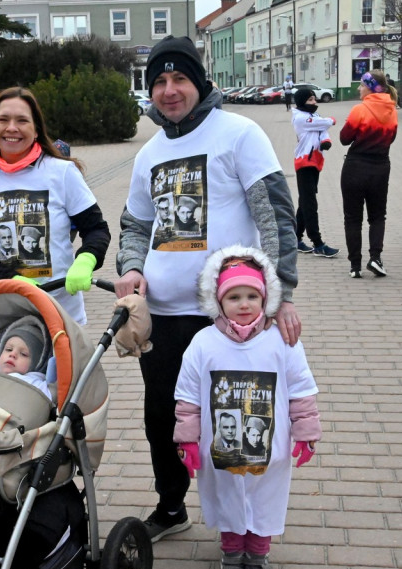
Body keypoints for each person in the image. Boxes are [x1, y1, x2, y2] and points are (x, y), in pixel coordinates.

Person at [115, 35, 301, 543]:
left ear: (199, 82)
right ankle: (171, 505)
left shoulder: (240, 133)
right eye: (159, 81)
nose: (169, 90)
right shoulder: (150, 152)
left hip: (228, 316)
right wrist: (131, 269)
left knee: (232, 421)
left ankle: (244, 529)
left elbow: (277, 219)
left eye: (179, 79)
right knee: (164, 418)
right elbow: (134, 225)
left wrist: (280, 295)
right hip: (163, 316)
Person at [174, 246, 320, 569]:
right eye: (234, 296)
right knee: (226, 498)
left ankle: (257, 557)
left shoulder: (282, 341)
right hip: (221, 446)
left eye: (252, 296)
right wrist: (188, 441)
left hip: (269, 446)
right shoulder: (203, 343)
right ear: (218, 301)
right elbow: (188, 398)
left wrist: (305, 432)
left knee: (264, 499)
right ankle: (232, 555)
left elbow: (300, 389)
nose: (243, 304)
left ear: (265, 298)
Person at [0, 87, 111, 325]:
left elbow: (96, 229)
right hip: (4, 312)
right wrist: (11, 280)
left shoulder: (62, 172)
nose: (12, 128)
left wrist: (87, 259)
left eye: (22, 120)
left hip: (61, 311)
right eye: (3, 120)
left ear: (36, 129)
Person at [340, 71, 399, 279]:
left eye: (362, 85)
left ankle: (355, 265)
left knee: (353, 218)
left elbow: (344, 138)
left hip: (355, 167)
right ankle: (376, 258)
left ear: (371, 87)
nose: (358, 88)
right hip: (380, 167)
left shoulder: (359, 109)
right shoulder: (392, 110)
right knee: (377, 216)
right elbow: (391, 138)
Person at [291, 88, 339, 257]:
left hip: (315, 162)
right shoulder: (300, 118)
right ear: (302, 102)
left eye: (314, 99)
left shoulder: (314, 118)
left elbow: (322, 129)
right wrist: (331, 119)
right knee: (310, 204)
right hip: (304, 162)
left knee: (304, 202)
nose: (314, 103)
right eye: (311, 100)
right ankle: (317, 243)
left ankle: (295, 239)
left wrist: (326, 140)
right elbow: (325, 123)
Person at [0, 316, 52, 399]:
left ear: (37, 363)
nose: (13, 354)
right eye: (9, 349)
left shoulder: (35, 384)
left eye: (23, 354)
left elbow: (53, 394)